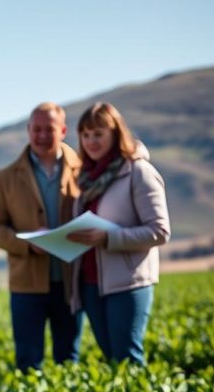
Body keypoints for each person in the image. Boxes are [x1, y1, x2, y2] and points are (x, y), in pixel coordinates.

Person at [66, 102, 170, 365]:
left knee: (128, 357)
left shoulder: (138, 172)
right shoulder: (85, 178)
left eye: (98, 133)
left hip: (127, 281)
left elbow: (159, 231)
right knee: (112, 359)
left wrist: (108, 238)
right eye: (86, 135)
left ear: (115, 132)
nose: (91, 141)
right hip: (90, 283)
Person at [0, 102, 84, 370]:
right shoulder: (6, 178)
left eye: (48, 129)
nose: (41, 136)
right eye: (36, 129)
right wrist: (27, 243)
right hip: (26, 286)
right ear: (28, 130)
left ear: (62, 130)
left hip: (70, 281)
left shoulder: (84, 171)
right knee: (28, 364)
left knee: (69, 361)